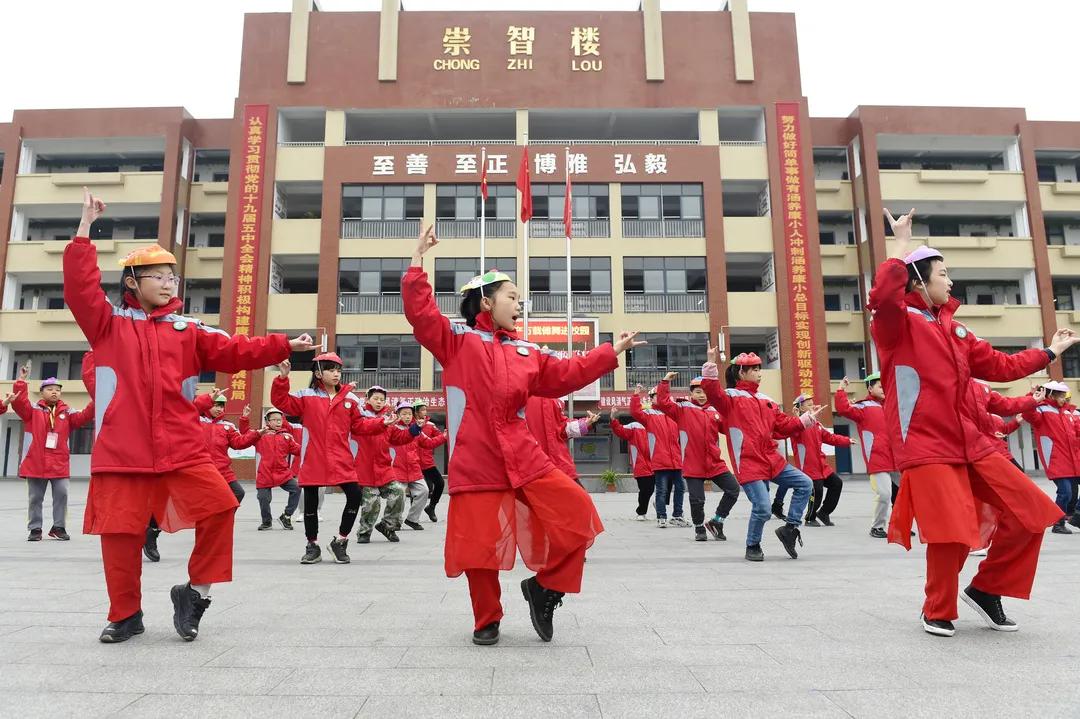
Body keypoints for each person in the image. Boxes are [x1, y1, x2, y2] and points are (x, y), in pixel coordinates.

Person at [65, 188, 311, 643]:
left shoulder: (188, 330)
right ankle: (125, 614)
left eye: (171, 278)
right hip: (122, 452)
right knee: (120, 536)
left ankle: (195, 593)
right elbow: (80, 289)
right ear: (132, 283)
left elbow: (236, 349)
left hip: (181, 447)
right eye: (156, 276)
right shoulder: (108, 325)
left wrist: (282, 345)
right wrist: (84, 230)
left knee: (221, 506)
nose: (166, 283)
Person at [403, 225, 642, 646]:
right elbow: (422, 316)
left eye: (518, 298)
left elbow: (568, 373)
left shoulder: (527, 351)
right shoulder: (457, 342)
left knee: (580, 514)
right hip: (477, 458)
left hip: (524, 454)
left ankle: (544, 588)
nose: (519, 304)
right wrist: (416, 263)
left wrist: (611, 352)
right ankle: (487, 619)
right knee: (480, 549)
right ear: (486, 301)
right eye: (511, 297)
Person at [872, 208, 1073, 638]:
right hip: (926, 445)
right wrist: (901, 245)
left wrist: (1050, 354)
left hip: (973, 441)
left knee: (1032, 513)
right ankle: (937, 609)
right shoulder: (896, 326)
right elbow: (883, 297)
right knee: (951, 530)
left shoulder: (956, 331)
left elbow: (1001, 365)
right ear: (918, 280)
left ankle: (986, 589)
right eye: (943, 274)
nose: (950, 282)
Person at [271, 352, 397, 564]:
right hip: (314, 457)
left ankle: (341, 541)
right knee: (310, 502)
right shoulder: (306, 396)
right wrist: (283, 378)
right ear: (319, 373)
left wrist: (381, 423)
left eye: (338, 370)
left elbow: (359, 425)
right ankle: (312, 546)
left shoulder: (349, 399)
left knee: (355, 495)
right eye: (331, 370)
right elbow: (282, 401)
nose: (336, 374)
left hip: (341, 457)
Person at [700, 350, 823, 561]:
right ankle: (752, 545)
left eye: (759, 368)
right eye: (754, 369)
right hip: (748, 463)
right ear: (741, 372)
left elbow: (782, 426)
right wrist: (710, 365)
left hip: (771, 459)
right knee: (763, 508)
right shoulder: (729, 398)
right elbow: (712, 392)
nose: (759, 373)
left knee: (805, 483)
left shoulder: (767, 400)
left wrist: (805, 420)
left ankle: (790, 529)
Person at [11, 361, 95, 542]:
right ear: (42, 392)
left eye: (57, 389)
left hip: (59, 463)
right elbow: (19, 403)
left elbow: (85, 416)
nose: (54, 392)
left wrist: (97, 399)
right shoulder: (32, 411)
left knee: (62, 495)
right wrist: (21, 381)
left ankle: (58, 527)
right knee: (35, 498)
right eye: (50, 389)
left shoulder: (68, 412)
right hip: (36, 462)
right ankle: (35, 529)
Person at [654, 374, 740, 542]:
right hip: (694, 463)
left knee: (733, 489)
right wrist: (665, 382)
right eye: (698, 392)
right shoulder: (682, 409)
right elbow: (663, 403)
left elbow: (728, 428)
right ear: (691, 393)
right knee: (697, 499)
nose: (702, 395)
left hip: (715, 462)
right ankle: (699, 527)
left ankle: (717, 521)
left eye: (705, 392)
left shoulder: (715, 411)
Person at [833, 374, 898, 538]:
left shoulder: (892, 406)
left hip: (898, 458)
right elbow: (843, 409)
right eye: (880, 386)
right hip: (878, 458)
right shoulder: (863, 407)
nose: (884, 389)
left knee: (906, 493)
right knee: (884, 494)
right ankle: (877, 527)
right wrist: (841, 390)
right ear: (870, 388)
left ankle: (899, 525)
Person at [353, 390, 415, 543]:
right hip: (365, 469)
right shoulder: (360, 417)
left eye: (382, 399)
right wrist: (382, 422)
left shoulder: (388, 420)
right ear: (367, 399)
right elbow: (364, 427)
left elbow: (398, 438)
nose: (379, 401)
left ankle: (388, 525)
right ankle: (364, 532)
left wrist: (414, 430)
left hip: (384, 468)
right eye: (376, 398)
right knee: (371, 503)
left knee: (399, 491)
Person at [784, 393, 853, 527]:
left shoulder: (817, 425)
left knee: (836, 484)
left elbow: (831, 438)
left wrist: (847, 440)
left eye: (812, 403)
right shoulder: (797, 425)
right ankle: (810, 518)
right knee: (817, 491)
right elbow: (792, 429)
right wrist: (798, 418)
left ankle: (824, 512)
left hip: (822, 466)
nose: (812, 405)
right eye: (808, 404)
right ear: (800, 408)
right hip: (808, 467)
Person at [1021, 381, 1078, 535]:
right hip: (1056, 459)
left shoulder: (1068, 413)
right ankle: (1058, 523)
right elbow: (1028, 414)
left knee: (1072, 493)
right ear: (1051, 395)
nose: (1064, 399)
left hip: (1074, 460)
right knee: (1065, 492)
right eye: (1060, 396)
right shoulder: (1042, 410)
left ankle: (1075, 516)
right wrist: (1031, 397)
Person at [630, 384, 686, 528]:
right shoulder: (649, 415)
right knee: (661, 490)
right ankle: (661, 516)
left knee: (680, 488)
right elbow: (636, 412)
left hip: (676, 460)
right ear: (652, 399)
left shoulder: (674, 415)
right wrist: (636, 396)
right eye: (657, 396)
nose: (660, 398)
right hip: (661, 460)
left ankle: (678, 515)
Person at [389, 401, 445, 531]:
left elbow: (429, 443)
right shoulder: (392, 428)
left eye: (409, 414)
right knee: (398, 495)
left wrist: (445, 437)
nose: (407, 416)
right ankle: (394, 521)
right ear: (397, 414)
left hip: (415, 468)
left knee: (424, 491)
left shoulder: (417, 430)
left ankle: (412, 519)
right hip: (398, 469)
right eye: (404, 414)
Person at [525, 396, 599, 488]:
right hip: (530, 467)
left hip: (558, 463)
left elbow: (561, 427)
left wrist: (585, 423)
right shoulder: (520, 392)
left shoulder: (553, 396)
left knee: (580, 499)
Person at [199, 396, 260, 504]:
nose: (219, 409)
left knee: (238, 493)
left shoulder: (227, 426)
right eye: (216, 405)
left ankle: (222, 518)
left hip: (223, 470)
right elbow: (192, 409)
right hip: (202, 469)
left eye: (222, 406)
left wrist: (257, 434)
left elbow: (239, 443)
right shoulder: (196, 421)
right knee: (204, 498)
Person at [250, 407, 301, 530]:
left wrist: (311, 445)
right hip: (265, 474)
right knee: (263, 498)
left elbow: (298, 450)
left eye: (280, 420)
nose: (278, 422)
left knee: (297, 489)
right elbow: (245, 434)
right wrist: (244, 418)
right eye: (275, 420)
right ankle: (266, 522)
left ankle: (286, 516)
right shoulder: (260, 435)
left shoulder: (287, 437)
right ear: (267, 421)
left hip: (282, 473)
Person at [609, 414, 654, 520]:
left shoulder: (656, 426)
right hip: (641, 464)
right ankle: (641, 512)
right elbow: (620, 430)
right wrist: (613, 418)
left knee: (658, 488)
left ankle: (660, 502)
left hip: (657, 463)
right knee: (645, 489)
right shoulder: (635, 426)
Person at [414, 401, 447, 522]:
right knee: (418, 490)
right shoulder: (410, 425)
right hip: (414, 462)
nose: (425, 412)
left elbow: (440, 437)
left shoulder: (430, 425)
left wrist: (444, 435)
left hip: (428, 462)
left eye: (425, 409)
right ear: (416, 412)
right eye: (422, 410)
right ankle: (413, 517)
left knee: (440, 483)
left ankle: (431, 507)